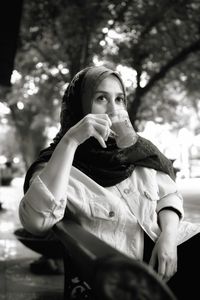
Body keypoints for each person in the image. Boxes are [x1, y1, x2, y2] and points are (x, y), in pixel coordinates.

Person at [19, 65, 200, 299]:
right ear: (80, 107)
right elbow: (35, 223)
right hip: (123, 276)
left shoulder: (139, 151)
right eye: (101, 98)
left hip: (171, 249)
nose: (114, 109)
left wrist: (168, 237)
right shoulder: (59, 163)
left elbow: (168, 196)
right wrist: (71, 140)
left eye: (119, 99)